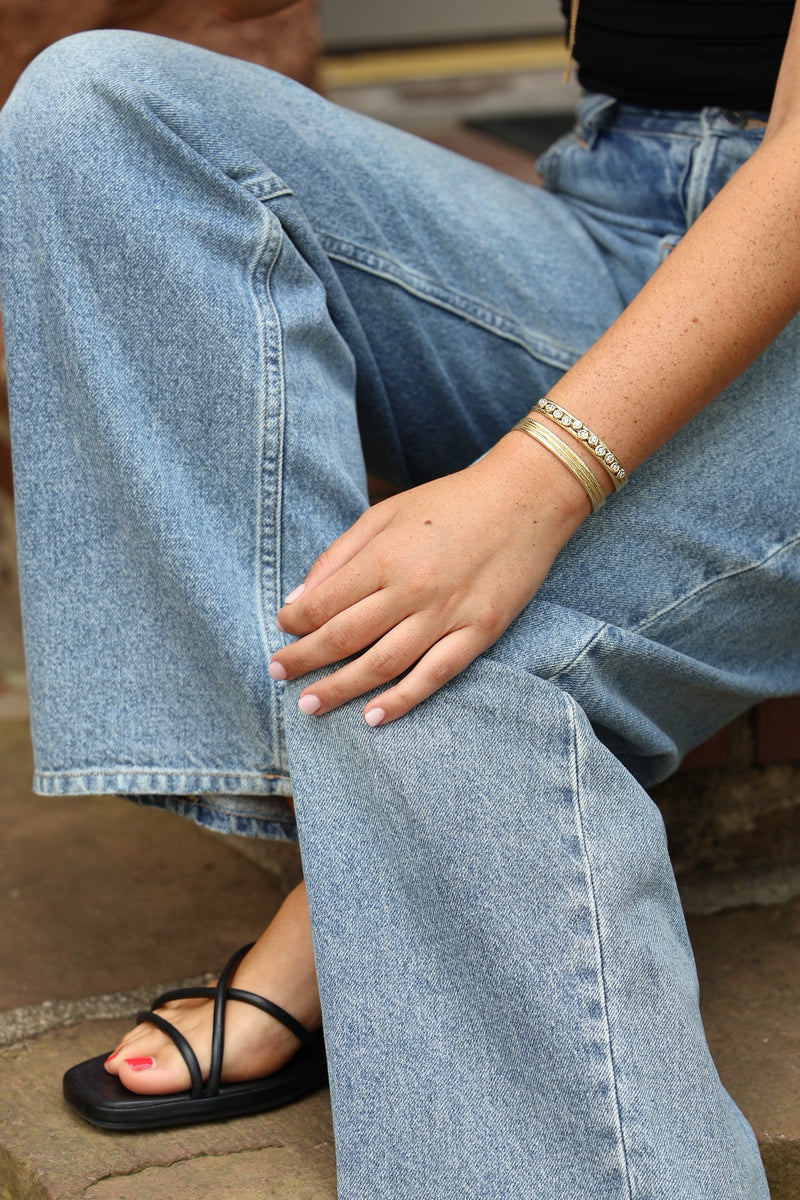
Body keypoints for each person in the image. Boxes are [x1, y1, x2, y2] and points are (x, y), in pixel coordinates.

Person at [0, 0, 797, 1194]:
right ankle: (343, 806)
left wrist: (537, 484)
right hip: (625, 211)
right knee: (97, 106)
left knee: (432, 668)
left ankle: (335, 899)